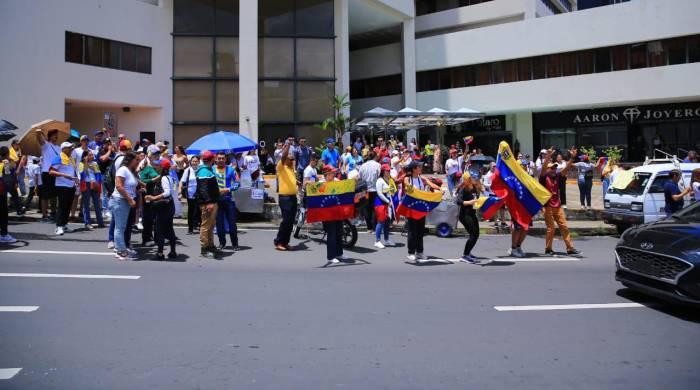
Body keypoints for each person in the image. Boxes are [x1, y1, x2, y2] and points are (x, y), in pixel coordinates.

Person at [539, 147, 580, 256]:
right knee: (551, 228)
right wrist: (548, 156)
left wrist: (572, 158)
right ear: (547, 169)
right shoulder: (543, 178)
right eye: (551, 168)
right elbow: (543, 168)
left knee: (564, 227)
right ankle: (548, 249)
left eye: (554, 168)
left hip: (557, 206)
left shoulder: (557, 176)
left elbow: (566, 168)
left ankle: (570, 248)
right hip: (547, 206)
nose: (553, 169)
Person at [403, 160, 441, 262]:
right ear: (414, 169)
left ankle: (419, 252)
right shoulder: (408, 178)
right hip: (411, 207)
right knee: (412, 231)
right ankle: (411, 252)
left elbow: (432, 185)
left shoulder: (422, 178)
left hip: (421, 208)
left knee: (420, 231)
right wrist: (410, 187)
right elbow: (406, 184)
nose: (421, 168)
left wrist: (441, 190)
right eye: (419, 167)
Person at [146, 159, 177, 260]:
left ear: (162, 167)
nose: (156, 166)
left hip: (164, 207)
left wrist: (153, 198)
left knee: (160, 230)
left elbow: (167, 192)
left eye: (158, 165)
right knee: (169, 228)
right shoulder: (169, 177)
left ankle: (160, 254)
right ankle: (173, 252)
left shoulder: (164, 178)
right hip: (170, 206)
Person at [110, 152, 139, 260]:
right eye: (136, 160)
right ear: (131, 160)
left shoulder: (129, 171)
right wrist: (129, 199)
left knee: (123, 226)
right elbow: (119, 186)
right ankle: (120, 251)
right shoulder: (122, 169)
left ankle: (122, 249)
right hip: (120, 200)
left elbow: (129, 186)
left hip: (125, 201)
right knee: (120, 227)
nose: (138, 161)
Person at [318, 164, 347, 264]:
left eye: (334, 172)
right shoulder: (321, 183)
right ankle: (331, 256)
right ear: (327, 173)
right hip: (327, 213)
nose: (334, 173)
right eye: (332, 172)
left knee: (339, 232)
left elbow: (344, 192)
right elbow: (319, 197)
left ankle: (339, 253)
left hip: (337, 211)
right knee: (331, 234)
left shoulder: (337, 181)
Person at [49, 142, 79, 236]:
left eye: (72, 147)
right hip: (62, 186)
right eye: (69, 148)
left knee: (68, 207)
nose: (72, 149)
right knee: (62, 207)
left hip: (71, 186)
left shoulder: (70, 159)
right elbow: (51, 171)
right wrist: (65, 176)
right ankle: (58, 226)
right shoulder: (59, 157)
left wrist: (75, 180)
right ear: (64, 149)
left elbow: (73, 171)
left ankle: (64, 225)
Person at [195, 151, 221, 258]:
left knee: (210, 225)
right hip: (208, 204)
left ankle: (210, 245)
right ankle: (204, 249)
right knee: (206, 226)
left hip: (212, 203)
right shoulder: (204, 172)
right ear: (211, 160)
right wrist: (209, 202)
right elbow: (203, 189)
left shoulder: (207, 170)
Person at [214, 151, 240, 250]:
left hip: (229, 201)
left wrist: (228, 189)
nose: (220, 160)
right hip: (217, 201)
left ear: (225, 159)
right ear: (216, 159)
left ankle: (235, 244)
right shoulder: (212, 170)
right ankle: (222, 243)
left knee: (232, 223)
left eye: (222, 158)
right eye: (219, 158)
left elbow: (237, 183)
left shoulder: (231, 170)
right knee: (219, 224)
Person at [274, 142, 297, 251]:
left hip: (293, 197)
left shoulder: (291, 169)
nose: (292, 161)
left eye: (293, 159)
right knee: (286, 220)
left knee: (291, 221)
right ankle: (278, 242)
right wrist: (287, 146)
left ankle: (285, 242)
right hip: (285, 198)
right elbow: (283, 156)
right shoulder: (281, 166)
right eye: (290, 159)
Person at [455, 172, 480, 263]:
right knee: (473, 235)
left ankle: (468, 253)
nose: (474, 179)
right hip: (465, 215)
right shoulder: (464, 188)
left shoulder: (474, 187)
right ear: (467, 179)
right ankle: (465, 256)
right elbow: (458, 201)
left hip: (472, 214)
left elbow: (476, 200)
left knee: (477, 234)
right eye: (472, 178)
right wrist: (470, 202)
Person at [139, 145, 161, 246]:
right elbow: (142, 180)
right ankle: (146, 238)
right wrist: (154, 180)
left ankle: (154, 237)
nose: (158, 156)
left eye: (158, 154)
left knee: (154, 217)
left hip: (154, 193)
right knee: (147, 217)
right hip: (147, 194)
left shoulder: (153, 163)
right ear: (150, 154)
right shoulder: (144, 164)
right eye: (155, 154)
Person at [37, 128, 61, 221]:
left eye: (57, 135)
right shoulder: (46, 145)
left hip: (55, 172)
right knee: (45, 195)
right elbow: (39, 139)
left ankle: (53, 213)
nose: (56, 136)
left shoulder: (59, 148)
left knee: (54, 195)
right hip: (46, 172)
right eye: (54, 135)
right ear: (50, 137)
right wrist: (38, 132)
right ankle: (44, 215)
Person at [78, 151, 104, 230]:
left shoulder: (95, 164)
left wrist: (97, 183)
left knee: (97, 203)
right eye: (90, 155)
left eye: (92, 155)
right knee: (86, 204)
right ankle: (87, 223)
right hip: (86, 184)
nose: (92, 156)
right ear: (85, 156)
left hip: (94, 184)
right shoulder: (81, 164)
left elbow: (98, 174)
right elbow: (82, 174)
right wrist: (86, 164)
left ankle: (100, 222)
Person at [373, 164, 396, 249]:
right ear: (383, 171)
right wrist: (388, 201)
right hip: (380, 204)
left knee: (387, 222)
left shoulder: (390, 180)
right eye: (387, 170)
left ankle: (386, 239)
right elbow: (379, 193)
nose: (389, 172)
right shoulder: (380, 180)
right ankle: (377, 241)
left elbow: (392, 190)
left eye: (389, 170)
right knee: (380, 222)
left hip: (388, 203)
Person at [359, 151, 381, 231]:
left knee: (366, 208)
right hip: (374, 189)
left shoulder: (363, 166)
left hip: (365, 190)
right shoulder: (378, 165)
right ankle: (374, 226)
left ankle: (369, 227)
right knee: (374, 208)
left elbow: (360, 177)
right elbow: (379, 176)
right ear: (375, 157)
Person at [178, 155, 200, 234]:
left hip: (200, 193)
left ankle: (201, 227)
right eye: (193, 161)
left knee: (200, 210)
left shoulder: (201, 170)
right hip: (190, 193)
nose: (194, 163)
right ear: (190, 162)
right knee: (190, 211)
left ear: (199, 162)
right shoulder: (187, 170)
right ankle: (190, 229)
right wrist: (179, 192)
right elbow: (182, 181)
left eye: (196, 161)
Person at [0, 147, 18, 243]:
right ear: (7, 154)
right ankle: (4, 235)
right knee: (3, 214)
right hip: (1, 192)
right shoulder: (6, 163)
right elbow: (7, 177)